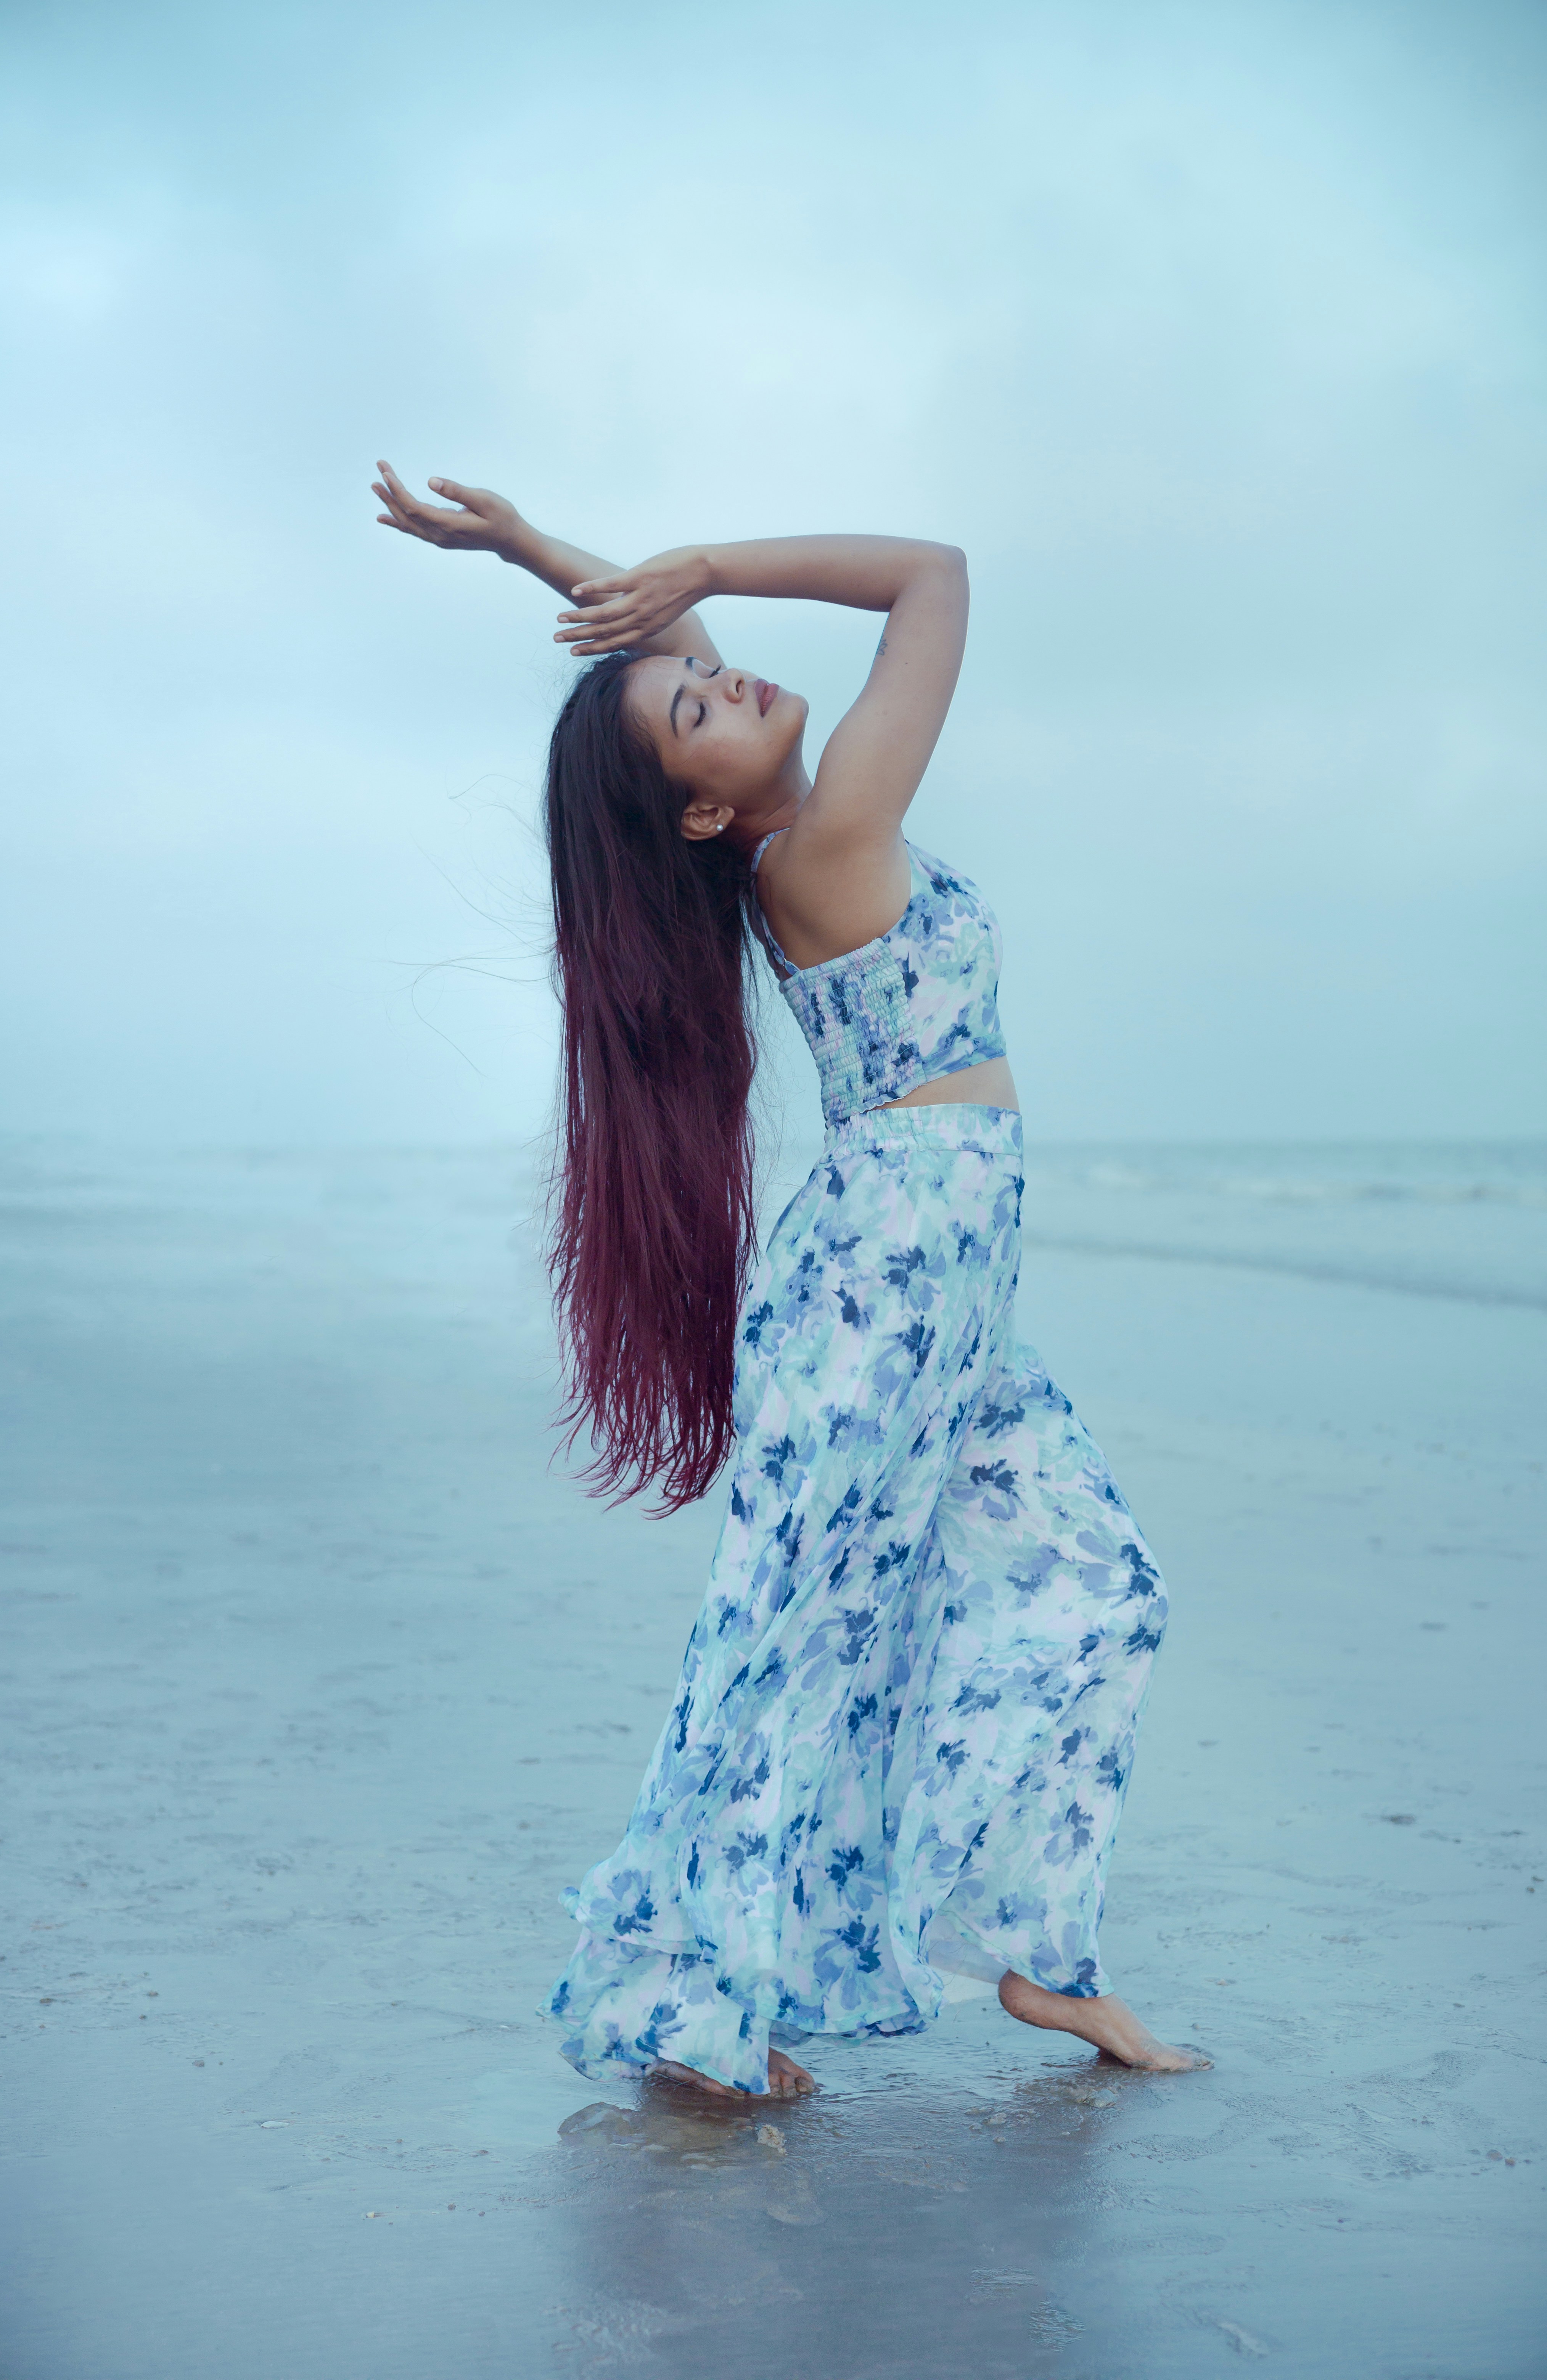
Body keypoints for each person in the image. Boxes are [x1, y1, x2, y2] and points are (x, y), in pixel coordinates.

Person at [373, 461, 1208, 2094]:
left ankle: (1038, 1954)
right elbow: (930, 574)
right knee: (791, 1639)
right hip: (886, 1292)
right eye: (698, 709)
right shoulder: (829, 841)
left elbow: (655, 655)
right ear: (702, 808)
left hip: (944, 1298)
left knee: (1104, 1588)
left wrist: (541, 551)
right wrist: (705, 561)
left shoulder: (779, 823)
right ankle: (692, 2004)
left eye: (705, 670)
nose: (723, 674)